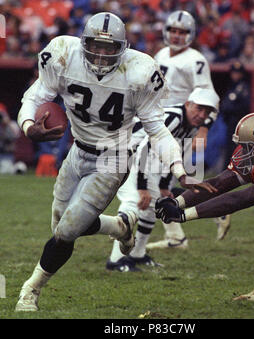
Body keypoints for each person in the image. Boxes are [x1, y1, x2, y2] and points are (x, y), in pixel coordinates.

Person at [15, 12, 205, 312]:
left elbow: (157, 129)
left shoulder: (140, 70)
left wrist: (180, 171)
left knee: (66, 232)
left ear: (123, 47)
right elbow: (35, 95)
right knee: (61, 224)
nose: (101, 55)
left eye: (109, 48)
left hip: (113, 155)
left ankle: (31, 289)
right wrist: (29, 127)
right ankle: (121, 226)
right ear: (83, 42)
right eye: (95, 46)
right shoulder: (63, 54)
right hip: (77, 151)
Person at [155, 112, 254, 300]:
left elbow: (240, 199)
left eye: (247, 146)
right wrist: (178, 202)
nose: (241, 150)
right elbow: (221, 183)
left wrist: (184, 215)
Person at [106, 87, 220, 271]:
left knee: (151, 208)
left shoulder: (191, 127)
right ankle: (116, 260)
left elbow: (175, 154)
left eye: (206, 112)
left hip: (136, 157)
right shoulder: (173, 117)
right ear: (188, 104)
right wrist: (142, 187)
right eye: (199, 108)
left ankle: (137, 254)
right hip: (122, 153)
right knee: (135, 202)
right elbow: (145, 148)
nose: (202, 115)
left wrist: (164, 185)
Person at [145, 10, 227, 250]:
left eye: (182, 32)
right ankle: (177, 235)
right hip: (160, 122)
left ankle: (214, 210)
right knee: (161, 182)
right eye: (173, 30)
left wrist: (204, 127)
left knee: (157, 179)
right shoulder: (161, 53)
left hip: (181, 125)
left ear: (191, 34)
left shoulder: (196, 60)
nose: (177, 36)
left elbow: (210, 97)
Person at [220, 61, 250, 170]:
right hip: (229, 121)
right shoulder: (232, 86)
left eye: (237, 73)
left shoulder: (243, 87)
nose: (235, 75)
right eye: (233, 72)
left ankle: (233, 169)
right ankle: (227, 168)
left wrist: (228, 109)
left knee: (235, 146)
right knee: (228, 146)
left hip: (237, 121)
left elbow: (244, 107)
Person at [0, 103, 21, 174]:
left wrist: (7, 124)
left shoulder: (12, 125)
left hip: (6, 155)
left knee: (5, 169)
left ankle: (19, 168)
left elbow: (15, 135)